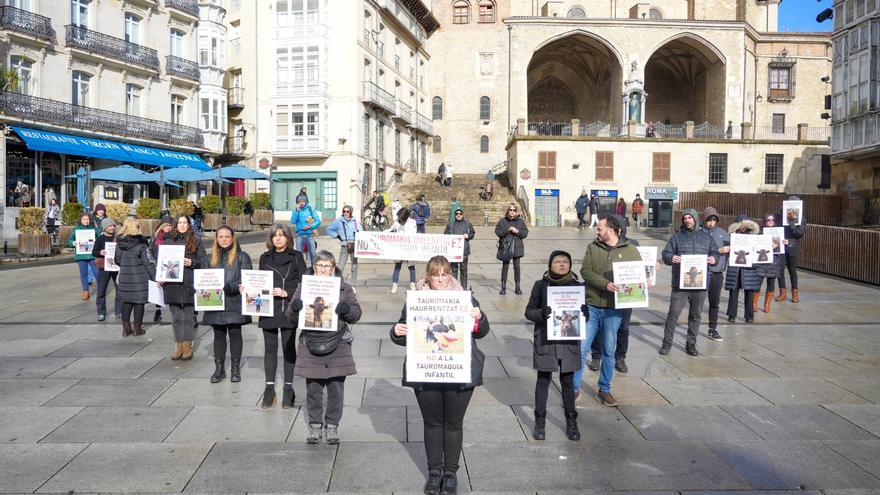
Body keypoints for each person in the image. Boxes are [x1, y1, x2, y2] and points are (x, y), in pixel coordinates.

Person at [390, 255, 489, 495]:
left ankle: (451, 474)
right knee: (433, 422)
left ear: (451, 275)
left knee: (453, 423)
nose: (441, 278)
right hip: (427, 370)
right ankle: (434, 473)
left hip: (460, 370)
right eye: (436, 274)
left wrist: (479, 318)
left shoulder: (465, 298)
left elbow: (482, 332)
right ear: (428, 276)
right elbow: (402, 333)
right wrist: (396, 331)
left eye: (445, 273)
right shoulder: (415, 300)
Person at [290, 250, 361, 444]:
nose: (323, 269)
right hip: (311, 342)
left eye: (327, 266)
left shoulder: (343, 288)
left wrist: (346, 311)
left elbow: (356, 313)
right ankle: (315, 426)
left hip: (337, 343)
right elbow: (290, 315)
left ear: (333, 268)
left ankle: (332, 426)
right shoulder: (304, 286)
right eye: (320, 266)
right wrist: (295, 308)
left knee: (336, 389)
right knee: (313, 389)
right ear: (314, 267)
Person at [574, 215, 642, 406]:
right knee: (581, 348)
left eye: (600, 228)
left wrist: (645, 281)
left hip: (614, 310)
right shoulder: (593, 247)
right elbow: (585, 271)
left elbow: (639, 275)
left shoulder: (630, 250)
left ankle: (604, 390)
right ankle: (573, 387)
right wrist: (605, 284)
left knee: (609, 351)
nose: (597, 230)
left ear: (611, 230)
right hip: (592, 307)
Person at [524, 250, 584, 441]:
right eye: (558, 261)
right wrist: (541, 313)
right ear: (550, 265)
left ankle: (571, 421)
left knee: (568, 382)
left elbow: (584, 317)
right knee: (543, 380)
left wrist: (584, 312)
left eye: (566, 261)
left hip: (568, 342)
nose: (562, 264)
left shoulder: (577, 286)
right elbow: (529, 311)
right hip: (546, 341)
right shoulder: (540, 285)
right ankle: (540, 421)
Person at [258, 223, 307, 408]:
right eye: (275, 235)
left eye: (282, 235)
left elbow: (304, 284)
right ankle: (269, 389)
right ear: (270, 238)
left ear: (288, 238)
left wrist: (287, 292)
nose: (278, 238)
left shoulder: (297, 257)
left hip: (287, 308)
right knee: (270, 348)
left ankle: (288, 388)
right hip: (268, 308)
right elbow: (259, 280)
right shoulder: (264, 258)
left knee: (288, 349)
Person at [659, 209, 719, 356]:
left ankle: (691, 343)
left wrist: (714, 258)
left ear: (695, 219)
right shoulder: (677, 237)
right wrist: (671, 258)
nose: (687, 220)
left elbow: (715, 252)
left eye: (690, 217)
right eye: (685, 218)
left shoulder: (706, 237)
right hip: (680, 283)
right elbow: (666, 254)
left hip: (700, 284)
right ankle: (667, 342)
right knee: (673, 313)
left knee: (695, 315)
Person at [588, 214, 640, 374]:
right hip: (601, 296)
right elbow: (587, 270)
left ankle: (620, 357)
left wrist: (650, 271)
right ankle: (597, 356)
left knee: (623, 327)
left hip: (625, 297)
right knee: (598, 329)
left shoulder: (632, 245)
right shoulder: (597, 245)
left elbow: (640, 270)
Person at [203, 226, 252, 384]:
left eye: (227, 236)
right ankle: (219, 368)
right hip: (215, 302)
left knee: (235, 334)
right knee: (218, 335)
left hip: (234, 301)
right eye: (221, 237)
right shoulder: (210, 258)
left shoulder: (242, 257)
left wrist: (231, 287)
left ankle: (236, 368)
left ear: (233, 238)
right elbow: (203, 277)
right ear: (216, 239)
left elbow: (246, 279)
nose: (224, 239)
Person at [162, 215, 206, 361]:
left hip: (189, 282)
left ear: (189, 224)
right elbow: (161, 261)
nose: (182, 225)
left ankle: (188, 346)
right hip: (172, 283)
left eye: (185, 222)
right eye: (179, 222)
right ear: (175, 224)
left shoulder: (196, 240)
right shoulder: (168, 240)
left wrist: (192, 262)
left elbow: (203, 261)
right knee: (175, 318)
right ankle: (178, 346)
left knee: (188, 317)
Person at [114, 219, 155, 337]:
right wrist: (155, 277)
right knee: (139, 302)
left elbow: (117, 260)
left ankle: (126, 328)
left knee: (126, 301)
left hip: (125, 277)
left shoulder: (119, 243)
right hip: (139, 278)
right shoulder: (141, 244)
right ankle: (137, 328)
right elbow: (147, 263)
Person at [725, 215, 761, 324]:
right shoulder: (732, 236)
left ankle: (749, 315)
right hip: (735, 268)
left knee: (749, 292)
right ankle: (732, 315)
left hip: (749, 268)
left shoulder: (754, 236)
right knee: (733, 291)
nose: (743, 228)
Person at [701, 207, 730, 342]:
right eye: (709, 219)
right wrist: (719, 250)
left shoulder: (723, 233)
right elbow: (697, 252)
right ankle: (692, 328)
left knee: (714, 303)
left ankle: (713, 328)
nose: (711, 222)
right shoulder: (699, 233)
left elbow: (733, 250)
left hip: (717, 273)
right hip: (702, 272)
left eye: (714, 219)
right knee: (697, 303)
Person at [495, 203, 529, 295]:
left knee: (517, 267)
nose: (512, 212)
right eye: (510, 210)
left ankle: (517, 287)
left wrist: (517, 231)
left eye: (514, 210)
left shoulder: (520, 222)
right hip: (506, 247)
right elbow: (497, 231)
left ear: (516, 211)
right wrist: (508, 230)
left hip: (517, 247)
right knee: (505, 267)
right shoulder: (503, 221)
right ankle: (503, 287)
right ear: (508, 211)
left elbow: (525, 233)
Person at [777, 195, 805, 303]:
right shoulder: (780, 215)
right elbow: (775, 228)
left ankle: (794, 293)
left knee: (792, 270)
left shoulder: (801, 218)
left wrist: (792, 224)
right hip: (781, 245)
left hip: (792, 246)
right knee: (780, 270)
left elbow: (800, 233)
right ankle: (782, 292)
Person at [92, 218, 122, 321]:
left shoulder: (118, 238)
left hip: (116, 267)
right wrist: (100, 252)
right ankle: (101, 312)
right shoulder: (100, 239)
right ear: (105, 227)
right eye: (110, 226)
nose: (112, 228)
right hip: (104, 267)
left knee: (120, 290)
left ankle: (119, 311)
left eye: (113, 226)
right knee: (101, 290)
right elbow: (94, 252)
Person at [756, 213, 786, 314]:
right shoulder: (759, 231)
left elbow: (781, 248)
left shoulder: (778, 232)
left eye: (772, 220)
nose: (771, 222)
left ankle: (767, 305)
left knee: (771, 283)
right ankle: (754, 302)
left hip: (774, 260)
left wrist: (785, 243)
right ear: (765, 221)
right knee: (758, 282)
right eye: (769, 220)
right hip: (762, 260)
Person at [325, 205, 360, 287]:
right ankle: (337, 284)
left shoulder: (355, 222)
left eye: (348, 211)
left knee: (354, 266)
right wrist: (337, 236)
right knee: (340, 266)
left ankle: (353, 285)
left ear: (351, 212)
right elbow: (329, 229)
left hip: (355, 245)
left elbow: (361, 232)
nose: (346, 213)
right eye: (344, 211)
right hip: (344, 245)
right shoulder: (339, 221)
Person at [68, 214, 99, 300]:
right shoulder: (76, 229)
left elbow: (99, 238)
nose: (86, 221)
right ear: (80, 220)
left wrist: (97, 241)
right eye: (84, 219)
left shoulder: (94, 229)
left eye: (88, 219)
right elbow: (70, 240)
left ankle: (101, 288)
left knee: (96, 272)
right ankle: (86, 291)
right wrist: (73, 243)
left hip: (92, 255)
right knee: (83, 274)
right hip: (81, 255)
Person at [387, 207, 417, 293]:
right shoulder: (397, 222)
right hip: (399, 247)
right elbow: (391, 229)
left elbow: (413, 233)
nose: (400, 220)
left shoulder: (412, 222)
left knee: (411, 266)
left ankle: (412, 284)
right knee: (397, 266)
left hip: (409, 247)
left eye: (401, 218)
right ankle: (394, 284)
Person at [444, 207, 475, 289]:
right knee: (453, 270)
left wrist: (468, 236)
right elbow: (445, 234)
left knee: (464, 270)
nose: (458, 215)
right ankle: (454, 287)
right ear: (454, 215)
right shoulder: (450, 224)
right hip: (454, 251)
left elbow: (472, 233)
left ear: (463, 214)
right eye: (457, 213)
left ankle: (464, 287)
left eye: (460, 213)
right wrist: (449, 237)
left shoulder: (467, 224)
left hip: (464, 251)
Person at [150, 216, 174, 322]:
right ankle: (158, 310)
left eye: (170, 225)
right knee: (158, 289)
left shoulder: (173, 237)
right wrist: (154, 264)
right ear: (162, 226)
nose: (168, 227)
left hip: (170, 265)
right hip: (158, 264)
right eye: (166, 225)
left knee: (171, 289)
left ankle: (173, 312)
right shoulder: (156, 237)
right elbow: (150, 252)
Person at [290, 196, 321, 267]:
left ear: (306, 202)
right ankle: (300, 269)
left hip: (309, 234)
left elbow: (318, 221)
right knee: (299, 254)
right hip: (299, 234)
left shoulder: (310, 209)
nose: (301, 203)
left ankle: (314, 269)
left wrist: (310, 226)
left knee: (313, 253)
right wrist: (297, 212)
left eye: (303, 202)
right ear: (297, 202)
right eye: (300, 202)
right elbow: (293, 221)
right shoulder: (295, 210)